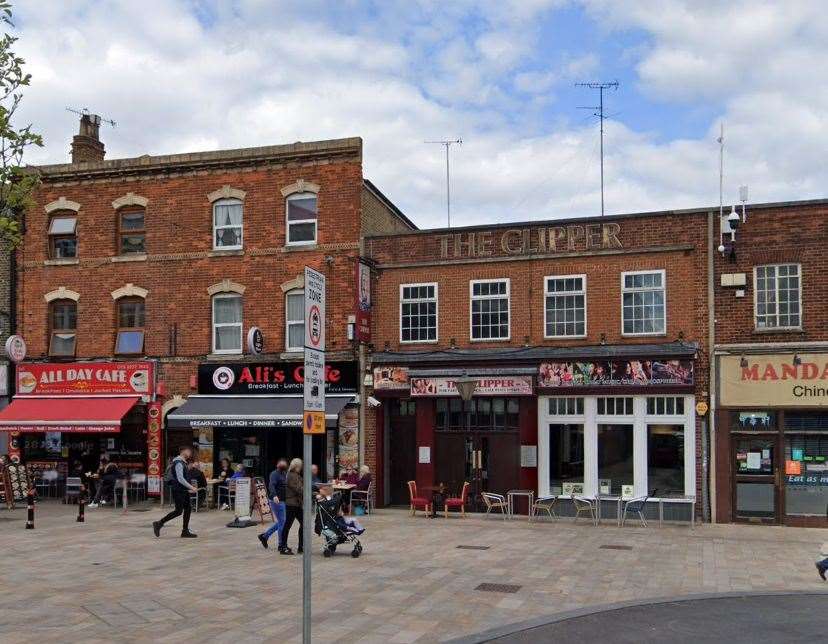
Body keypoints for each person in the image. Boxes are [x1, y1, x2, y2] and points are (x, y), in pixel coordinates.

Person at [153, 447, 198, 538]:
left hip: (183, 490)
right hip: (178, 490)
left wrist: (188, 487)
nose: (189, 453)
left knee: (188, 508)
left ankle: (185, 531)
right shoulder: (178, 463)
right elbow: (180, 479)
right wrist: (191, 487)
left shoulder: (183, 463)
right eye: (188, 451)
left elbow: (183, 477)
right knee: (178, 511)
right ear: (182, 451)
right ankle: (159, 523)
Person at [258, 459, 288, 551]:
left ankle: (265, 536)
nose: (283, 464)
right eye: (281, 463)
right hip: (277, 501)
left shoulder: (284, 473)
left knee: (281, 521)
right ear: (277, 464)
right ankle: (281, 544)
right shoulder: (274, 474)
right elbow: (271, 485)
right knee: (282, 522)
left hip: (283, 500)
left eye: (284, 463)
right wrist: (274, 495)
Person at [279, 458, 304, 555]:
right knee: (287, 525)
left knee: (303, 523)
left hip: (297, 504)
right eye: (300, 466)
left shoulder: (296, 475)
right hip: (292, 504)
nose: (301, 468)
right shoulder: (291, 475)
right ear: (296, 466)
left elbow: (302, 485)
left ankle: (301, 546)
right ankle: (283, 547)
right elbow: (298, 488)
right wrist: (308, 490)